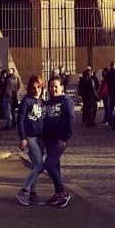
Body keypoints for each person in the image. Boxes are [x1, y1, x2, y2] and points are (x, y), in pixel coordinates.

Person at [42, 77, 75, 207]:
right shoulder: (49, 102)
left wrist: (65, 138)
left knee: (48, 165)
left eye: (55, 86)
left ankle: (63, 192)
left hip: (59, 140)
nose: (53, 89)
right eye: (51, 86)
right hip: (49, 139)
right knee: (55, 167)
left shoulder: (66, 101)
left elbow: (70, 120)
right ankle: (58, 194)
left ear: (62, 87)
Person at [16, 75, 46, 206]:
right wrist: (23, 138)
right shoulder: (26, 101)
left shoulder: (41, 102)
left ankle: (33, 194)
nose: (36, 90)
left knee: (36, 166)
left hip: (41, 138)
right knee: (39, 165)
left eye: (39, 87)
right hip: (30, 137)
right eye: (34, 87)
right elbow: (20, 120)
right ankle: (24, 191)